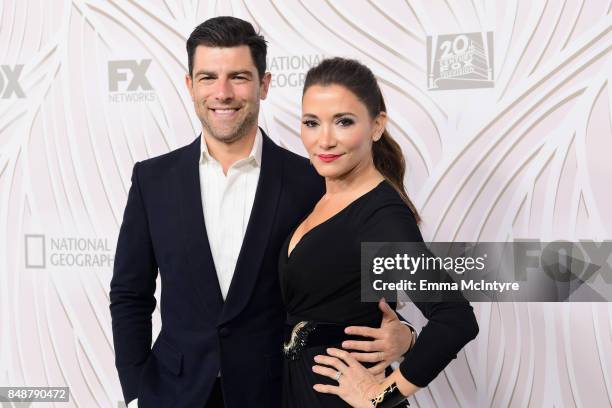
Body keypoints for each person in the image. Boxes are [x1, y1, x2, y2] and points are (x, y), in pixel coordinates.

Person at [109, 17, 416, 408]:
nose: (222, 93)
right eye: (207, 77)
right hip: (172, 394)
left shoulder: (313, 181)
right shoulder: (153, 179)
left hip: (276, 393)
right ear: (189, 86)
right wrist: (136, 391)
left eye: (238, 76)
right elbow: (130, 294)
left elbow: (360, 294)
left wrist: (404, 334)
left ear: (264, 84)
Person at [279, 58, 479, 407]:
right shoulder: (321, 195)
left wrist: (379, 397)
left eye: (343, 122)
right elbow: (342, 295)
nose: (324, 140)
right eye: (312, 122)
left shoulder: (381, 214)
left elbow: (455, 318)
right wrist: (406, 333)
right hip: (299, 392)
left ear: (376, 126)